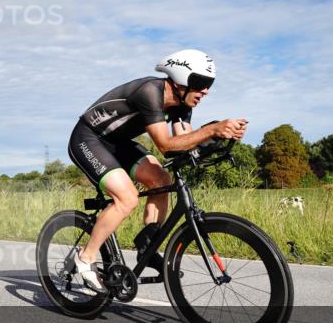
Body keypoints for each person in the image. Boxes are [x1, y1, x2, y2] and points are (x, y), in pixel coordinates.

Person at [66, 49, 247, 292]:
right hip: (88, 138)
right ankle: (85, 258)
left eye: (209, 84)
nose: (206, 91)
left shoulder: (182, 104)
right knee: (127, 198)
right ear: (181, 79)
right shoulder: (150, 92)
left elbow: (182, 144)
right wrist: (213, 130)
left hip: (117, 144)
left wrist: (218, 137)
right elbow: (164, 145)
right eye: (201, 83)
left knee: (161, 179)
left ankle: (147, 245)